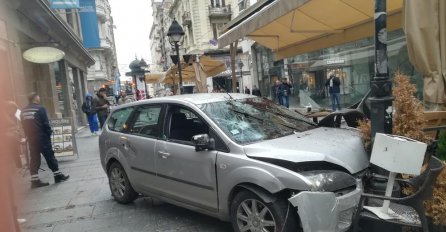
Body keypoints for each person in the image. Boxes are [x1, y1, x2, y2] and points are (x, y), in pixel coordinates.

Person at [20, 93, 69, 188]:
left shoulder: (23, 111)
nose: (39, 97)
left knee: (34, 158)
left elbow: (23, 125)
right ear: (35, 98)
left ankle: (34, 181)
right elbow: (45, 123)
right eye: (38, 96)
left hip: (31, 138)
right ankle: (57, 175)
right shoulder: (40, 108)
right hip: (41, 137)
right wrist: (49, 133)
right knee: (49, 156)